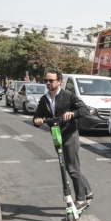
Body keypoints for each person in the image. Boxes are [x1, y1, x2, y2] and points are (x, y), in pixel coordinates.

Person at [33, 68, 93, 209]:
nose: (48, 83)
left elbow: (84, 110)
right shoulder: (44, 99)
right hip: (56, 135)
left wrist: (72, 113)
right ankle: (88, 191)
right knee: (68, 166)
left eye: (51, 80)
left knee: (72, 168)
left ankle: (80, 199)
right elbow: (36, 117)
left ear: (59, 81)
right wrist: (38, 120)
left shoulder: (68, 96)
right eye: (46, 80)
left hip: (70, 133)